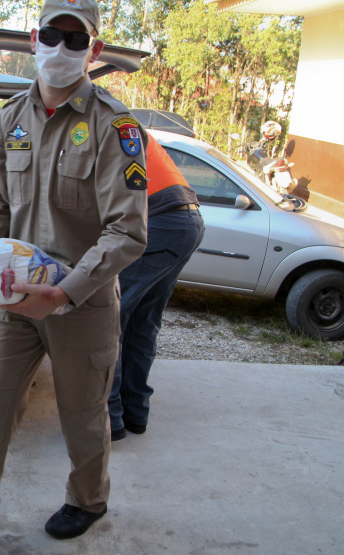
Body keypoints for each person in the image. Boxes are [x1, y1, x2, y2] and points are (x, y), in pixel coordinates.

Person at [0, 1, 149, 553]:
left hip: (82, 301)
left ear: (94, 52)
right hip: (17, 298)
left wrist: (66, 292)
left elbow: (127, 232)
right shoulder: (10, 119)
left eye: (78, 41)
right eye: (54, 35)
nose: (63, 49)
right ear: (34, 39)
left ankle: (87, 501)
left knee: (83, 416)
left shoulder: (115, 126)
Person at [108, 133, 204, 441]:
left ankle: (108, 419)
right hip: (185, 222)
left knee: (107, 320)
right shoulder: (123, 124)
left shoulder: (98, 125)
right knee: (141, 323)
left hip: (159, 223)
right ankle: (135, 413)